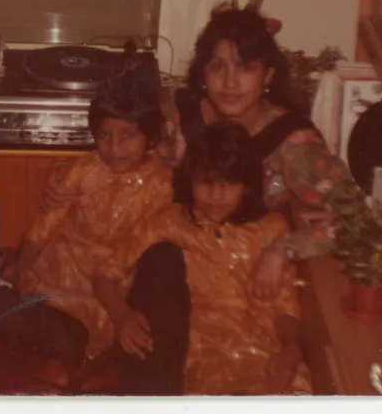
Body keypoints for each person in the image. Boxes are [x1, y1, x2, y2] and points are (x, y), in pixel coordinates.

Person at [111, 122, 312, 395]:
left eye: (229, 184)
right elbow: (108, 270)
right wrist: (122, 315)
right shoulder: (170, 222)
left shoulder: (271, 230)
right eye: (206, 183)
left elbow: (285, 306)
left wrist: (291, 349)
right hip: (201, 351)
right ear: (190, 181)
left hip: (263, 350)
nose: (216, 197)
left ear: (246, 185)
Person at [171, 6, 355, 301]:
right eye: (218, 67)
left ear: (267, 75)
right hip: (178, 267)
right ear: (203, 72)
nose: (230, 83)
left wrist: (281, 250)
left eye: (246, 68)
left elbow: (354, 217)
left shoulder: (292, 141)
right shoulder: (184, 117)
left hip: (242, 281)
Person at [2, 69, 175, 381]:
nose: (114, 148)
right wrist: (25, 265)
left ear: (150, 134)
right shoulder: (82, 169)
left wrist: (119, 314)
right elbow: (44, 226)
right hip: (56, 276)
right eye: (104, 136)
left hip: (109, 290)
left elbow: (135, 253)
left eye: (128, 135)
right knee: (14, 311)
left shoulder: (162, 187)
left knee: (71, 341)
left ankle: (60, 346)